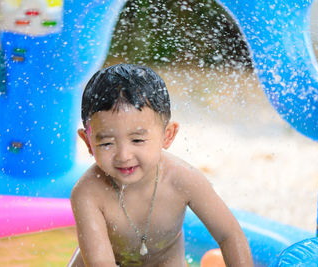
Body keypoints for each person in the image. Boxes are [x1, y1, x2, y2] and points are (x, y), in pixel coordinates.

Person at [69, 63, 253, 267]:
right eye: (106, 143)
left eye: (137, 140)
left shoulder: (184, 180)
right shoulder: (88, 193)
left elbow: (229, 235)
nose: (123, 155)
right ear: (88, 142)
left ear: (168, 135)